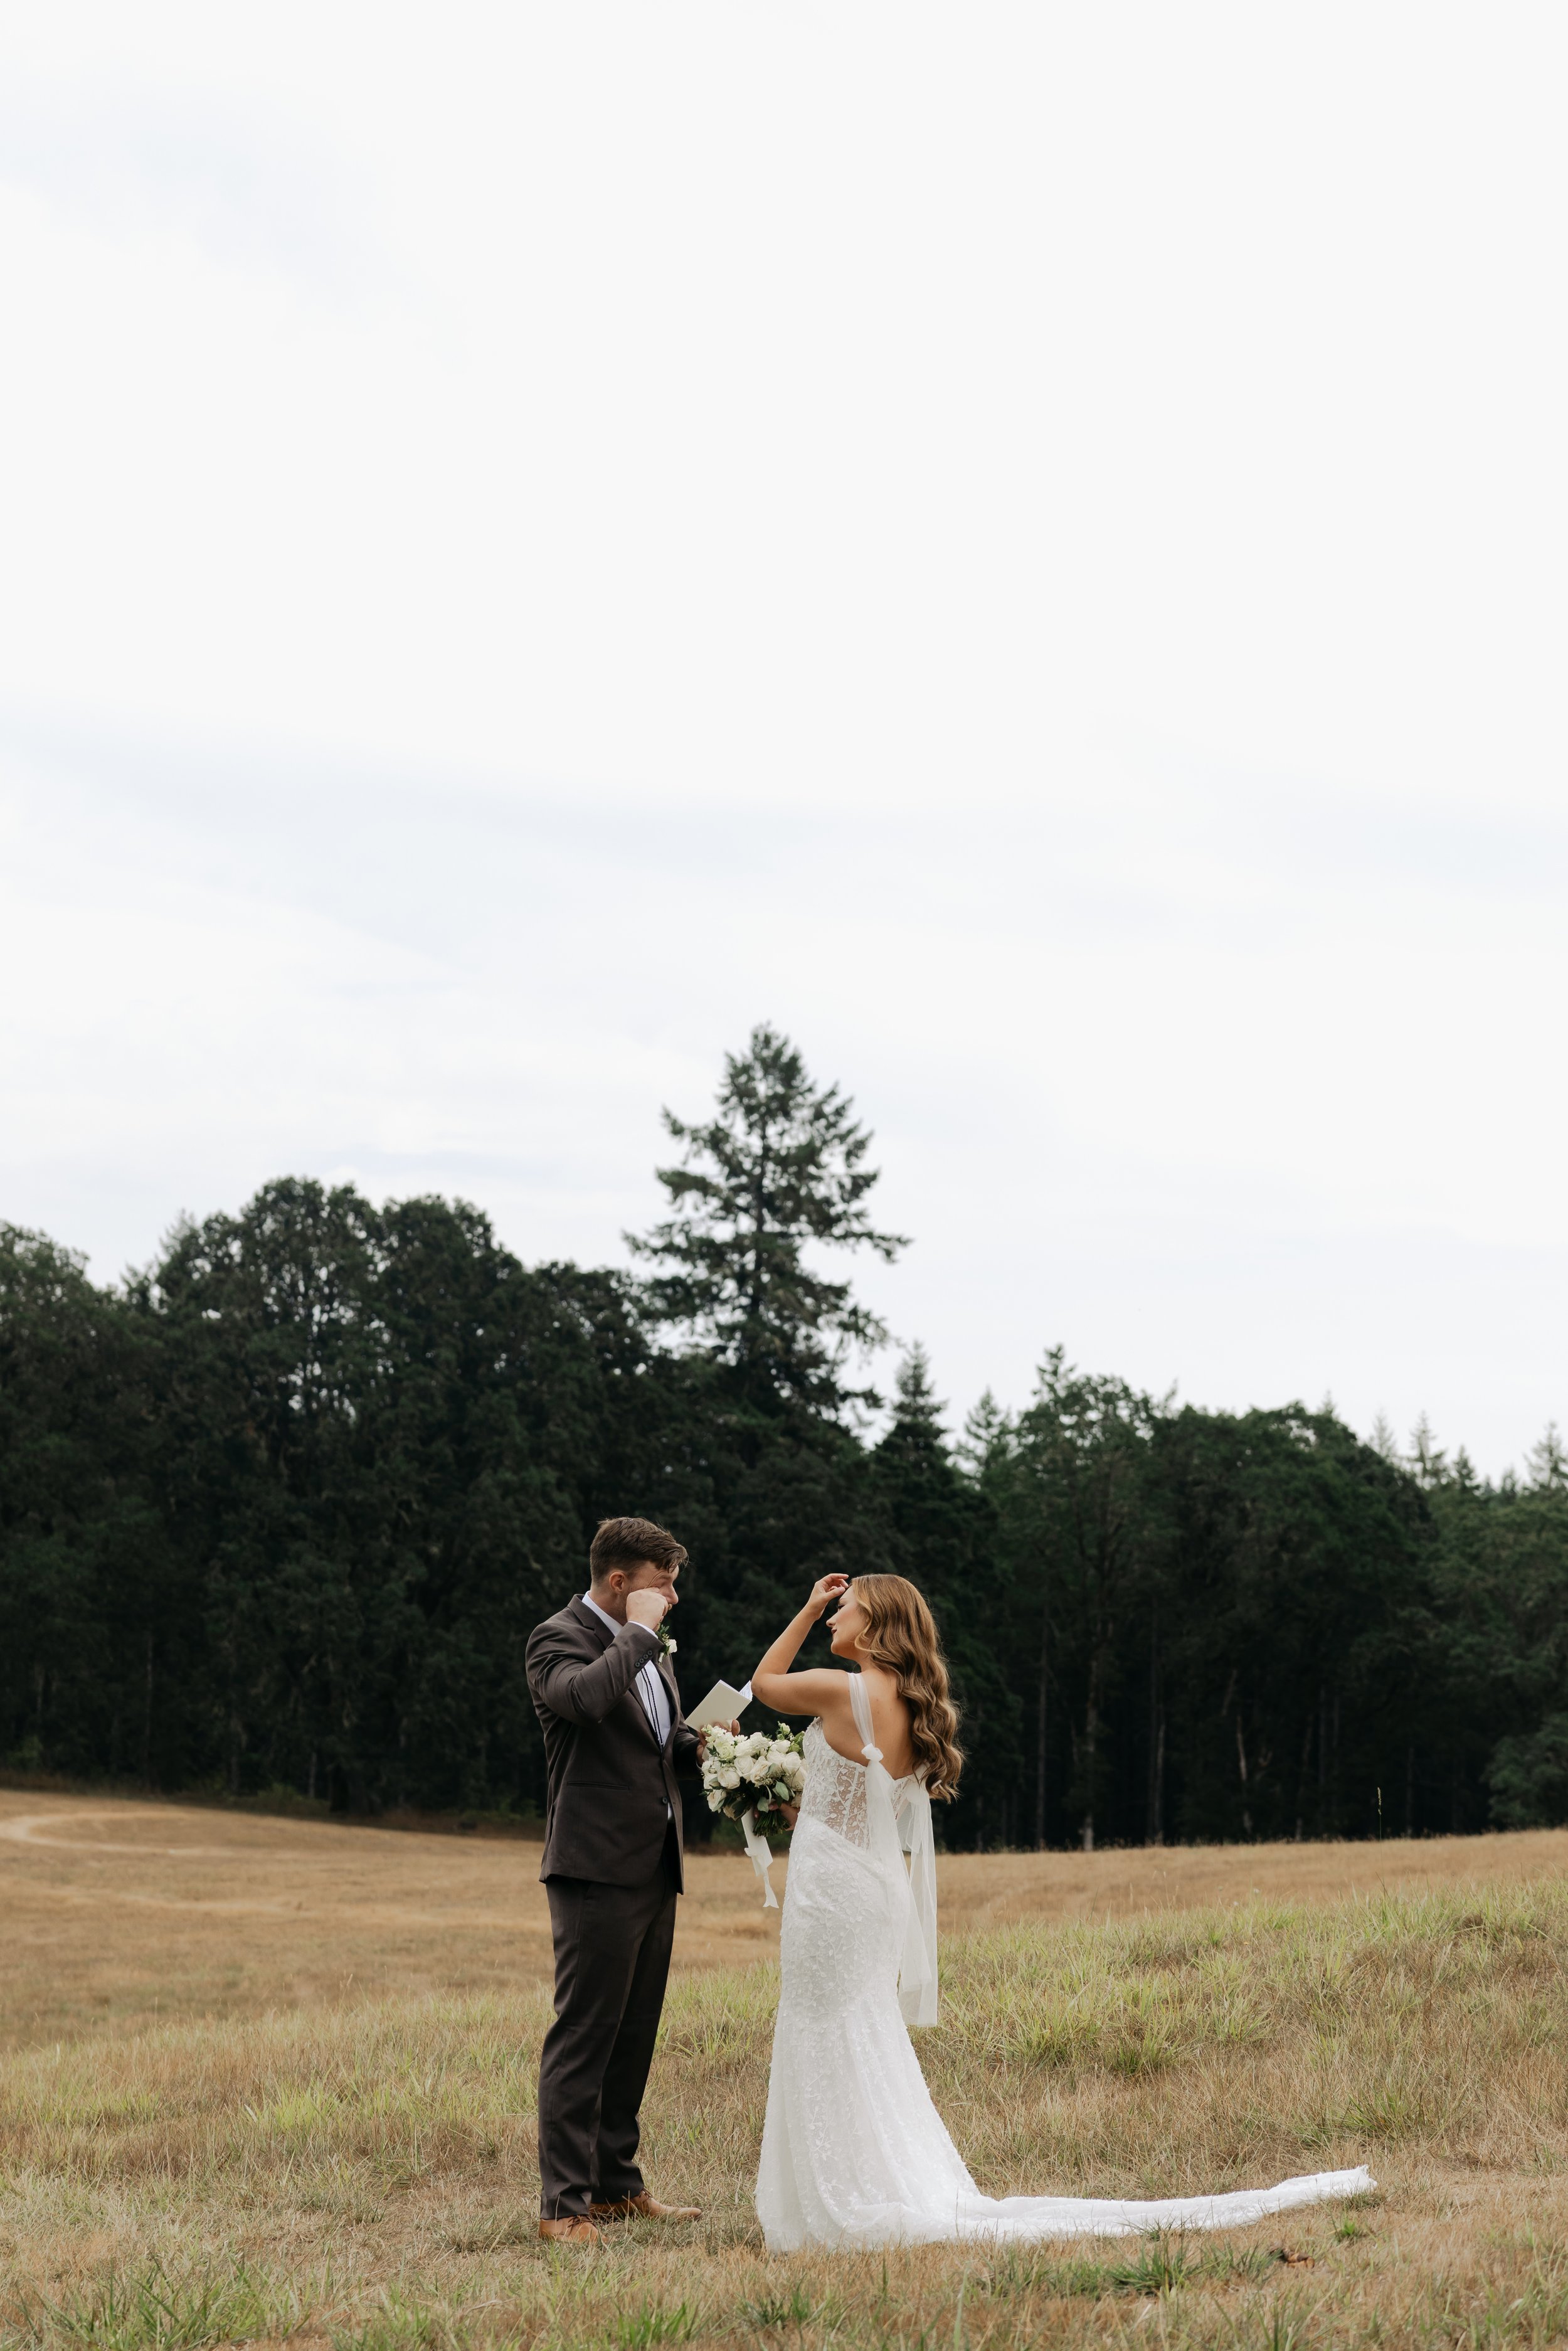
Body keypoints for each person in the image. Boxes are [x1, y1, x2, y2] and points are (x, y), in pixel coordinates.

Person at [751, 1571, 1374, 2251]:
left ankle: (847, 2188)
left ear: (874, 1623)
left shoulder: (841, 1689)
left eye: (844, 1609)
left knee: (824, 2020)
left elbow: (763, 1681)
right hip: (868, 1888)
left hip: (831, 1891)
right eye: (830, 1609)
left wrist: (805, 1609)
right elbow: (849, 1807)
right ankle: (883, 2174)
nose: (834, 1616)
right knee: (860, 2023)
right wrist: (778, 1804)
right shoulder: (906, 1704)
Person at [526, 1515, 714, 2243]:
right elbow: (581, 1702)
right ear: (619, 1581)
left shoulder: (649, 1646)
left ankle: (615, 2187)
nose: (671, 1598)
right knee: (585, 2035)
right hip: (593, 1866)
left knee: (633, 2034)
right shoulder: (558, 1637)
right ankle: (562, 2207)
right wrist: (636, 1634)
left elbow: (653, 1740)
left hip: (652, 1862)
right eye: (661, 1585)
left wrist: (700, 1745)